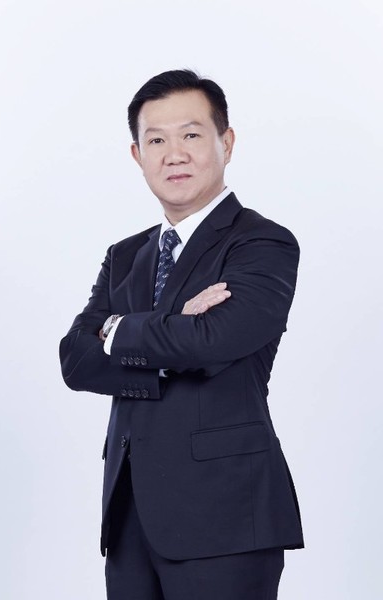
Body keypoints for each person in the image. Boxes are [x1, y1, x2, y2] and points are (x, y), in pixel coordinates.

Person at [59, 69, 304, 600]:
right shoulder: (126, 254)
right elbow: (76, 361)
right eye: (156, 141)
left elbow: (213, 341)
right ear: (137, 155)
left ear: (226, 143)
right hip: (129, 515)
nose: (174, 154)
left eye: (191, 135)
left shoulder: (262, 243)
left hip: (226, 517)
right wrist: (170, 334)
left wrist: (115, 330)